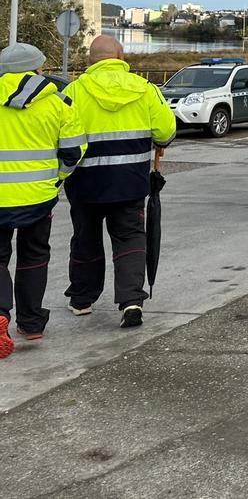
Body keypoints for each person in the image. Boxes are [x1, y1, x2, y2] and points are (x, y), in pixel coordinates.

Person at [63, 36, 176, 328]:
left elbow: (62, 136)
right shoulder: (145, 89)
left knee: (85, 239)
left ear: (90, 61)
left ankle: (82, 300)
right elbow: (165, 131)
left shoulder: (74, 91)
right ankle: (131, 301)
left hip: (85, 183)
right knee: (130, 238)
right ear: (121, 55)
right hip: (130, 181)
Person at [0, 43, 86, 356]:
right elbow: (73, 152)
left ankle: (0, 314)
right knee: (34, 255)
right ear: (37, 69)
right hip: (38, 197)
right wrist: (56, 179)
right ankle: (31, 323)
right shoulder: (59, 102)